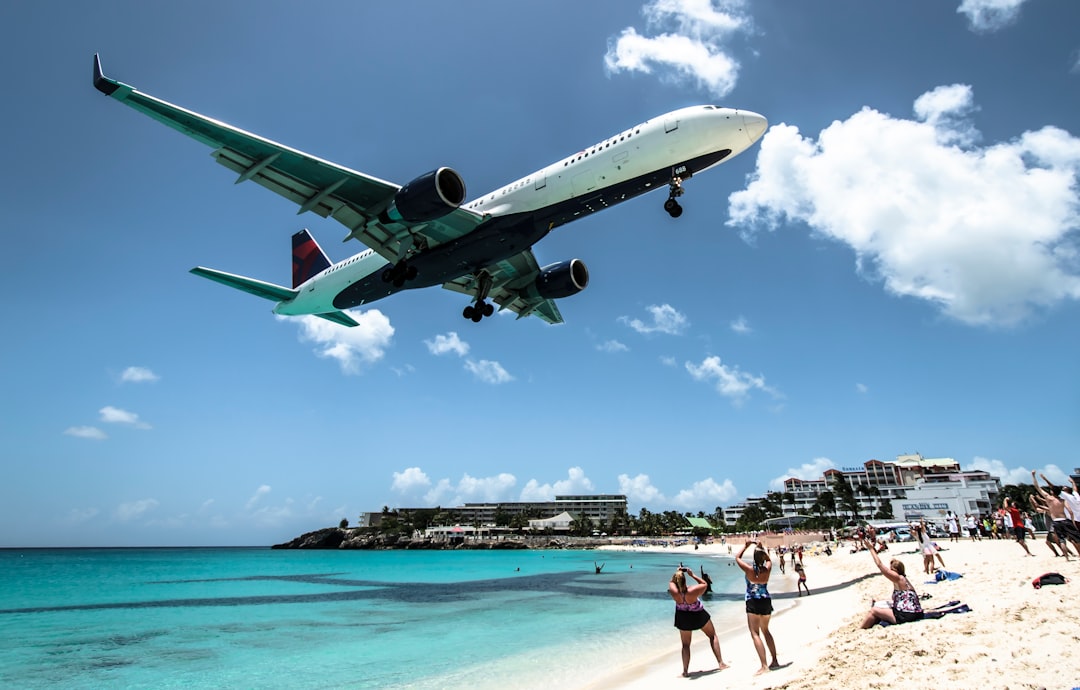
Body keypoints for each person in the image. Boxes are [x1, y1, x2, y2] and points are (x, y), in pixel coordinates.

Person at [668, 566, 728, 678]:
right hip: (698, 615)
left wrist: (677, 573)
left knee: (685, 645)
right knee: (712, 636)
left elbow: (671, 582)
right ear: (685, 580)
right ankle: (721, 663)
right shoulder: (692, 591)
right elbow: (704, 584)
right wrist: (692, 574)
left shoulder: (674, 592)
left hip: (683, 617)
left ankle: (685, 671)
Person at [859, 530, 924, 629]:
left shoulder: (897, 578)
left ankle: (861, 630)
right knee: (882, 604)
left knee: (874, 611)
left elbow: (879, 565)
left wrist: (871, 549)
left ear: (894, 570)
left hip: (906, 616)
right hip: (916, 612)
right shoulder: (904, 580)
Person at [735, 540, 781, 675]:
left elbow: (737, 558)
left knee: (755, 633)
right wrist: (761, 549)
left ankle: (764, 665)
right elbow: (768, 559)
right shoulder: (767, 569)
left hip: (753, 601)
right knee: (766, 631)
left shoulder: (749, 570)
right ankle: (775, 660)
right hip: (766, 600)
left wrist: (746, 545)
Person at [1033, 470, 1080, 557]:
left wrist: (1041, 478)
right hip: (1070, 520)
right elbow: (1074, 489)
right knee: (1075, 539)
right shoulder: (1075, 497)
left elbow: (1047, 488)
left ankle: (1070, 556)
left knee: (1065, 540)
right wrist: (1073, 482)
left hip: (1065, 521)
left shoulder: (1063, 497)